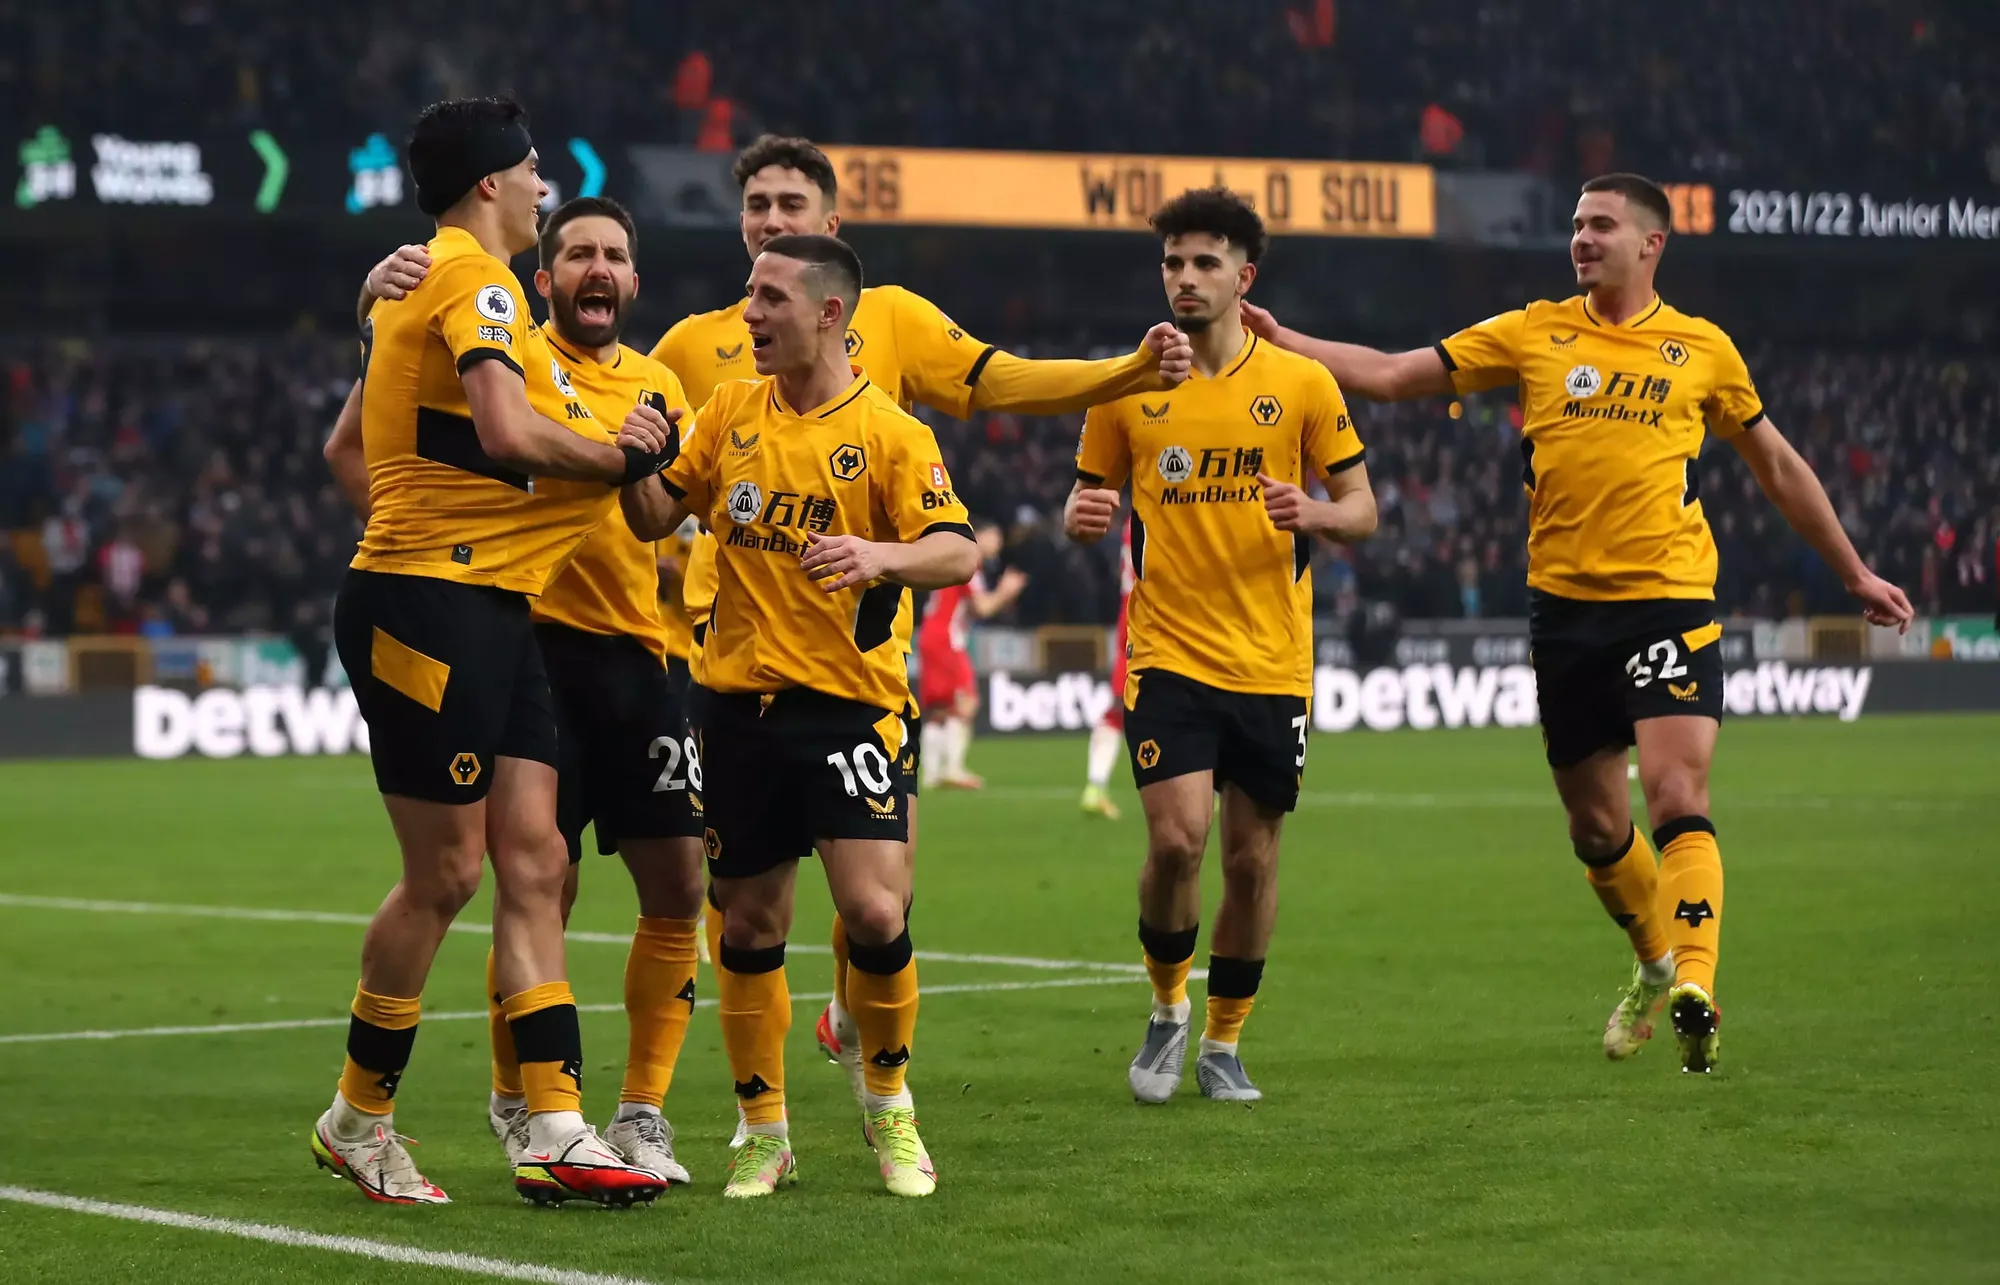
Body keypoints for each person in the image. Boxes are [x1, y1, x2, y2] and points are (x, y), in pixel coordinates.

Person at [1243, 172, 1915, 1073]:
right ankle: (1655, 962)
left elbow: (1780, 468)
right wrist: (1287, 342)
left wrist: (1855, 571)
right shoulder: (1534, 329)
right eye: (1575, 225)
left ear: (1652, 243)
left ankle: (1697, 986)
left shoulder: (1702, 348)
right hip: (1563, 612)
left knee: (1678, 795)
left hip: (1669, 598)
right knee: (1596, 829)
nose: (1582, 239)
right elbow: (1399, 374)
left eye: (1601, 225)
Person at [643, 134, 1190, 1133]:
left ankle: (865, 1054)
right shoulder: (691, 350)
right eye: (756, 203)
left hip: (855, 661)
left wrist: (1123, 372)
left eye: (791, 203)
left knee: (877, 897)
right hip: (725, 660)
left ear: (831, 229)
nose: (771, 218)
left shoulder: (890, 320)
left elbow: (1004, 379)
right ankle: (731, 1110)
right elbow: (634, 459)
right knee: (735, 903)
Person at [314, 98, 674, 1208]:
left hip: (491, 608)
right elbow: (512, 435)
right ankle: (356, 1120)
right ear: (489, 185)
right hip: (432, 609)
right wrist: (612, 461)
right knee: (448, 873)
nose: (542, 189)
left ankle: (556, 1125)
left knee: (536, 864)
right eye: (531, 173)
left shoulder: (429, 281)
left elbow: (348, 446)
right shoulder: (472, 280)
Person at [621, 233, 980, 1198]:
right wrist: (635, 463)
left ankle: (890, 1107)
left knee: (872, 907)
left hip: (851, 707)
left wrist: (879, 557)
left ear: (829, 312)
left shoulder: (894, 434)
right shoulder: (730, 410)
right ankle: (761, 1128)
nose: (750, 313)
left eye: (770, 297)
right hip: (735, 708)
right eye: (747, 294)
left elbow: (957, 551)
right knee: (748, 921)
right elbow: (658, 517)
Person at [1064, 187, 1377, 1104]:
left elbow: (1362, 509)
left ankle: (1225, 1039)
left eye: (1204, 263)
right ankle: (1167, 1010)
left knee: (1251, 858)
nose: (1185, 278)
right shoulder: (1126, 387)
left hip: (1272, 663)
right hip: (1166, 653)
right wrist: (1082, 517)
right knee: (1176, 842)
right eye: (1172, 263)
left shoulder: (1301, 384)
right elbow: (1091, 506)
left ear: (1245, 276)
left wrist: (1314, 510)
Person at [916, 518, 1027, 789]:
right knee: (967, 702)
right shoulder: (968, 565)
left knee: (940, 708)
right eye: (994, 536)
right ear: (981, 535)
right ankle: (952, 769)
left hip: (931, 635)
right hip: (947, 639)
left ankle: (931, 774)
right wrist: (1005, 591)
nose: (998, 543)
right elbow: (983, 608)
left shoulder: (954, 560)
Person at [1079, 515, 1135, 820]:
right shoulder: (1165, 508)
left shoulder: (1131, 521)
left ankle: (1095, 787)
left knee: (1118, 709)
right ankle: (1208, 791)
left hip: (1130, 616)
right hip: (1158, 618)